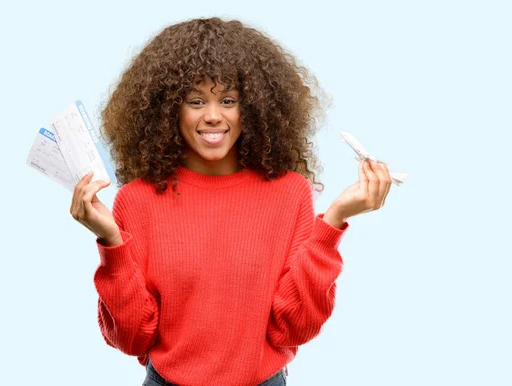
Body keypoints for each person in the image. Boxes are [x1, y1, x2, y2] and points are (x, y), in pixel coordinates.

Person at [70, 17, 392, 386]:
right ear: (168, 110)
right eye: (195, 101)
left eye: (228, 100)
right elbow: (131, 338)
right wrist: (112, 243)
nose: (212, 116)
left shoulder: (289, 194)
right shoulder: (136, 200)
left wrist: (333, 221)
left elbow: (293, 329)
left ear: (252, 108)